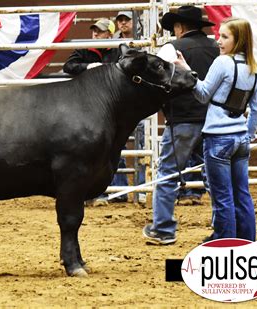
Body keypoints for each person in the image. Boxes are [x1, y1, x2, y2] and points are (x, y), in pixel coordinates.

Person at [175, 17, 257, 241]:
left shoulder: (223, 63)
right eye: (219, 35)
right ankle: (247, 244)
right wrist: (248, 135)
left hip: (218, 139)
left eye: (225, 37)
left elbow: (203, 94)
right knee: (242, 195)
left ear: (238, 40)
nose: (218, 41)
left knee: (223, 198)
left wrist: (187, 73)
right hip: (240, 139)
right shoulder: (254, 68)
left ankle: (227, 246)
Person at [142, 6, 219, 244]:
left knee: (167, 174)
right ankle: (223, 228)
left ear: (179, 27)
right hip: (214, 120)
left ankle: (163, 229)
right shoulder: (217, 48)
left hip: (182, 119)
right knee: (215, 177)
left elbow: (156, 80)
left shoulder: (171, 49)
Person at [63, 19, 128, 204]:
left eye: (99, 32)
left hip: (111, 108)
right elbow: (68, 66)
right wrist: (88, 67)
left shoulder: (117, 50)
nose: (95, 35)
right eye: (94, 31)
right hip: (86, 107)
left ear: (109, 33)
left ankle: (119, 191)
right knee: (93, 151)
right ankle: (94, 192)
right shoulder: (85, 48)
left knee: (115, 148)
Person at [113, 11, 147, 205]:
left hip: (138, 101)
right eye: (120, 20)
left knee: (142, 145)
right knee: (116, 145)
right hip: (120, 102)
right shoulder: (113, 44)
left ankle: (141, 189)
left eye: (126, 19)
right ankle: (119, 190)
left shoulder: (142, 41)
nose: (124, 23)